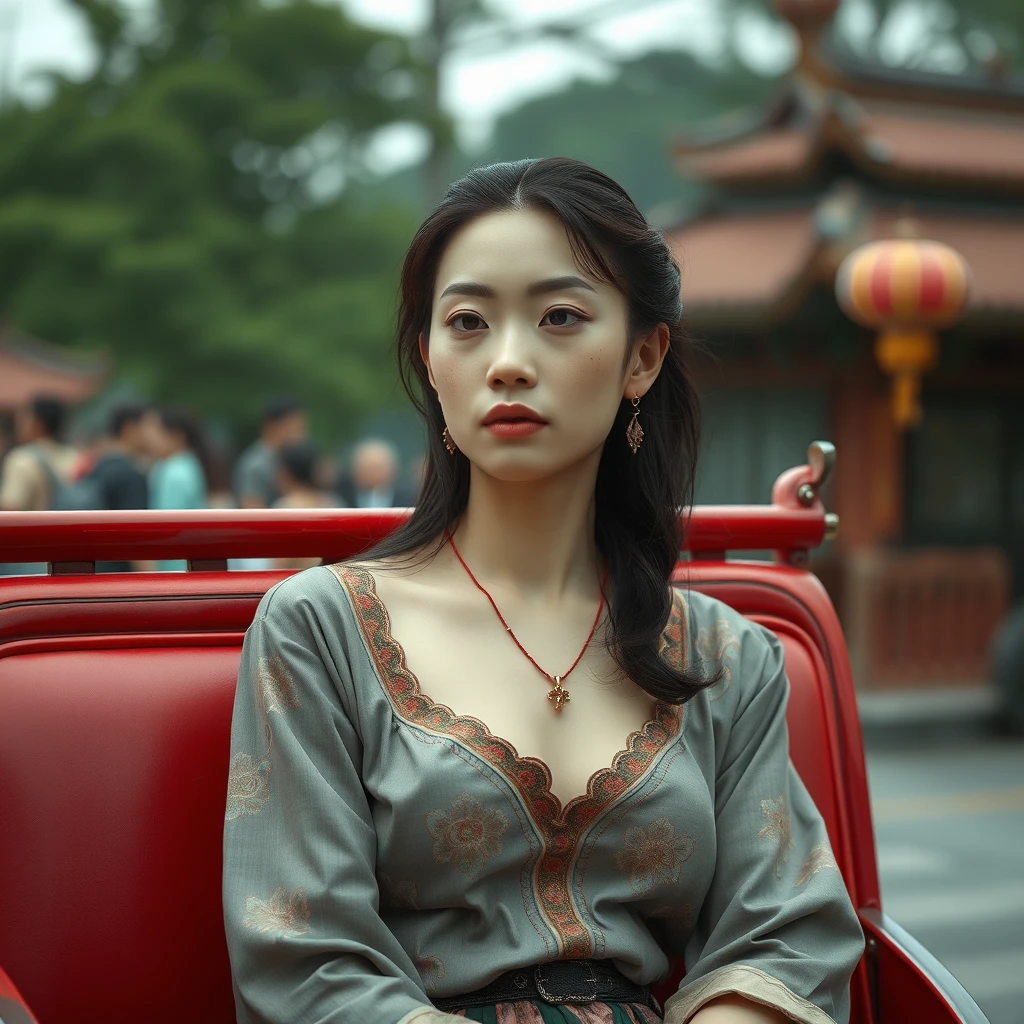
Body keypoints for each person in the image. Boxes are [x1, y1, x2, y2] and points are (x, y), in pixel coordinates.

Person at [223, 159, 864, 1024]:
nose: (509, 362)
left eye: (560, 317)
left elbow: (785, 931)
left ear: (643, 356)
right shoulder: (320, 628)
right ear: (431, 361)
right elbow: (302, 954)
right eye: (467, 323)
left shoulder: (723, 656)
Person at [88, 403, 151, 573]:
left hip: (95, 569)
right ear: (130, 429)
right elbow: (137, 540)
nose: (152, 434)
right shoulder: (131, 476)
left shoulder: (98, 467)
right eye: (148, 426)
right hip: (120, 576)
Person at [146, 407, 208, 571]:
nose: (152, 441)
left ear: (176, 437)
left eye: (158, 434)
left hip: (173, 566)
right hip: (188, 560)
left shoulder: (173, 472)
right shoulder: (189, 463)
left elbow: (166, 525)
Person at [271, 440, 344, 571]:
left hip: (293, 584)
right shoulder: (334, 503)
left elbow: (277, 565)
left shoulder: (283, 507)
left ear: (286, 473)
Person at [0, 395, 77, 512]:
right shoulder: (75, 456)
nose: (19, 424)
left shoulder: (22, 459)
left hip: (37, 529)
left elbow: (11, 507)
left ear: (37, 423)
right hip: (71, 528)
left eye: (24, 417)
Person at [233, 398, 308, 509]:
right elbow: (252, 510)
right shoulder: (256, 465)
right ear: (272, 426)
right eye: (295, 428)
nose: (301, 436)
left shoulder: (288, 458)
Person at [339, 438, 417, 508]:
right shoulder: (340, 499)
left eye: (376, 468)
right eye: (366, 468)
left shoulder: (412, 500)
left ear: (393, 470)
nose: (371, 474)